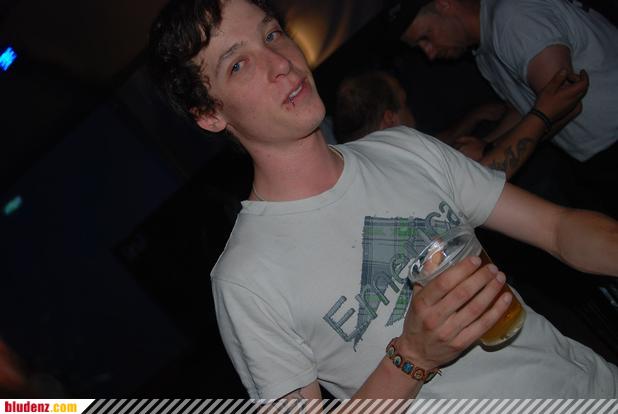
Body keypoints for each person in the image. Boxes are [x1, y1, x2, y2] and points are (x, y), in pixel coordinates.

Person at [148, 0, 618, 403]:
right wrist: (412, 357)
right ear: (209, 114)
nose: (280, 62)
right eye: (238, 64)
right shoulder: (246, 278)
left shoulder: (403, 148)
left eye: (271, 34)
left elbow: (558, 230)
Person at [390, 0, 618, 216]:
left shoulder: (514, 21)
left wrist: (492, 149)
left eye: (426, 37)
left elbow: (564, 103)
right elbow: (529, 107)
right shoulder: (484, 50)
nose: (429, 53)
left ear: (444, 4)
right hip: (598, 151)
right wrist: (484, 146)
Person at [333, 69, 587, 179]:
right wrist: (543, 113)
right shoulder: (404, 165)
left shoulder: (362, 167)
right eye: (405, 103)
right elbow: (487, 174)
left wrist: (473, 122)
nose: (412, 113)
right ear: (390, 119)